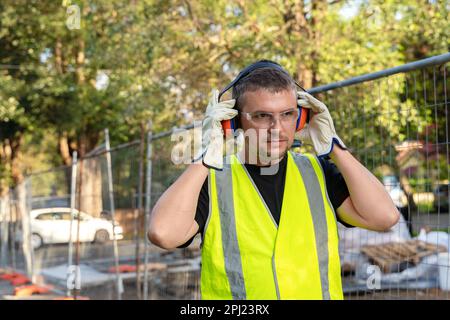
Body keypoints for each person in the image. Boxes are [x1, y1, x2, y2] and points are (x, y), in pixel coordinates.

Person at [148, 60, 400, 300]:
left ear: (301, 118)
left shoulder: (320, 172)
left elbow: (385, 217)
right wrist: (206, 155)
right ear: (232, 122)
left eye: (288, 114)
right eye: (261, 116)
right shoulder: (212, 180)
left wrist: (334, 147)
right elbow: (163, 234)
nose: (277, 128)